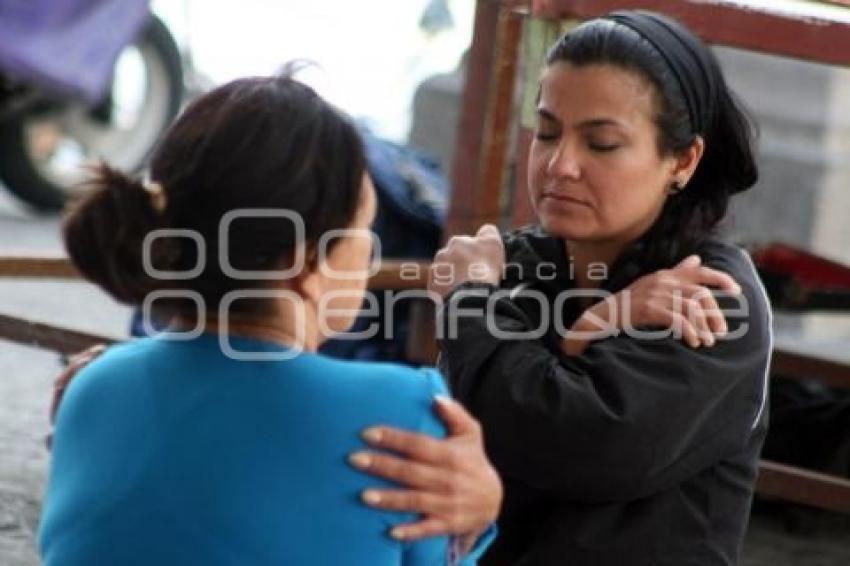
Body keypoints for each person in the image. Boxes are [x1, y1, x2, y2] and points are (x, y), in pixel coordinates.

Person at [354, 10, 771, 565]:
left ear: (683, 160)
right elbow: (468, 422)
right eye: (547, 132)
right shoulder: (521, 263)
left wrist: (470, 301)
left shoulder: (710, 294)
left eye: (601, 144)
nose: (560, 165)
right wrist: (588, 327)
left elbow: (570, 441)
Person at [39, 75, 500, 565]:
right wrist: (482, 515)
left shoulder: (89, 387)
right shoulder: (403, 412)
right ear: (305, 265)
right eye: (363, 227)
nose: (370, 249)